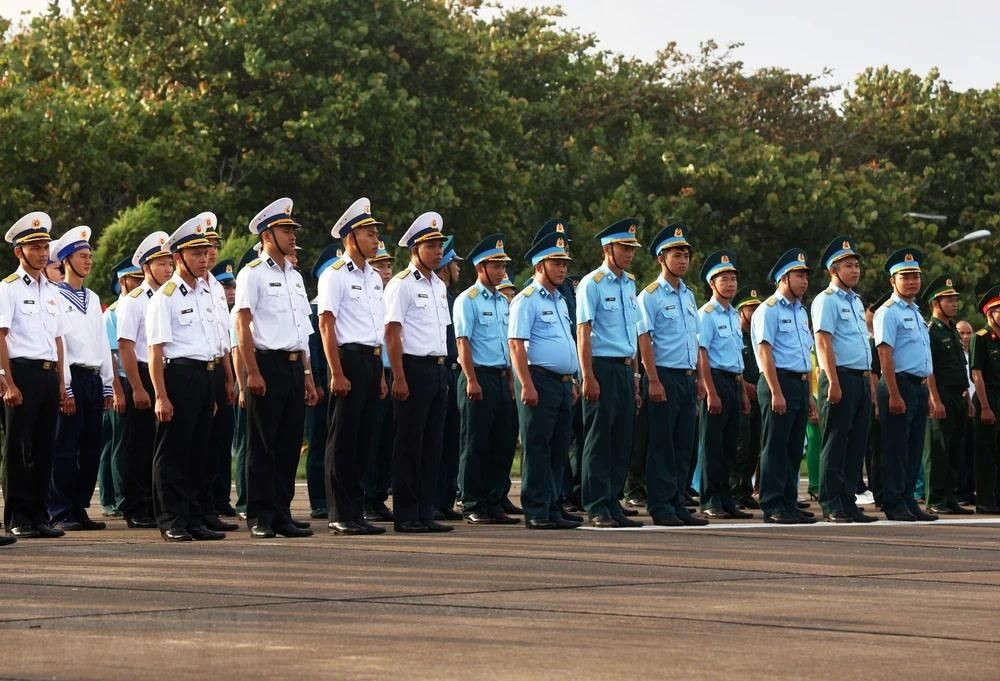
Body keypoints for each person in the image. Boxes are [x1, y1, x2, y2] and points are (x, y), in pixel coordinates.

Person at [234, 198, 318, 539]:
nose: (292, 236)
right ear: (267, 235)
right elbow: (242, 325)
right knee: (262, 445)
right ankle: (260, 515)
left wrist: (308, 375)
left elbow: (302, 330)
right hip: (267, 364)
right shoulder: (252, 274)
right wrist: (252, 371)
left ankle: (282, 513)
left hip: (295, 366)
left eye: (292, 230)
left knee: (288, 445)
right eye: (285, 230)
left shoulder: (294, 277)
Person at [146, 216, 227, 542]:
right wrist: (161, 395)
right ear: (178, 257)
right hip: (179, 376)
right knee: (173, 452)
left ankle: (193, 517)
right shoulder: (165, 296)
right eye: (196, 254)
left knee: (198, 451)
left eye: (205, 253)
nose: (204, 259)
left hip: (206, 376)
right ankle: (171, 519)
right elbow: (155, 351)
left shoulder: (205, 292)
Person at [317, 197, 387, 536]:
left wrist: (382, 373)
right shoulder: (334, 276)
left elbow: (377, 329)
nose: (375, 239)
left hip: (371, 360)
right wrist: (336, 372)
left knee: (363, 439)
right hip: (348, 359)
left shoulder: (373, 276)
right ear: (350, 238)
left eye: (375, 233)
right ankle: (339, 512)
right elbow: (326, 325)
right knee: (343, 438)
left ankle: (356, 511)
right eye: (369, 234)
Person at [384, 211, 454, 533]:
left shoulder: (438, 285)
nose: (439, 251)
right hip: (412, 368)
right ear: (415, 249)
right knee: (409, 445)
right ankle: (407, 514)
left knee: (432, 445)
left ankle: (426, 511)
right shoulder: (401, 284)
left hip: (437, 369)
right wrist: (399, 377)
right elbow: (392, 333)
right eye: (432, 246)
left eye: (440, 245)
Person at [1, 211, 68, 539]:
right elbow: (0, 335)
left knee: (44, 447)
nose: (43, 253)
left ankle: (39, 516)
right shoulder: (8, 288)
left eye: (45, 247)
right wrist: (7, 380)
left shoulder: (52, 290)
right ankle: (18, 516)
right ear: (19, 251)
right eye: (35, 247)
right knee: (19, 448)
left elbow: (58, 339)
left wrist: (61, 383)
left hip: (47, 374)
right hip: (21, 373)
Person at [636, 224, 708, 526]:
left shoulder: (688, 296)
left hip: (687, 377)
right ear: (661, 259)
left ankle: (678, 502)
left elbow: (695, 340)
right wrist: (652, 379)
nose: (683, 261)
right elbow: (645, 339)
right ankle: (661, 505)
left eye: (686, 255)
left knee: (683, 444)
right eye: (677, 255)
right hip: (663, 376)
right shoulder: (650, 296)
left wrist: (700, 378)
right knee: (662, 445)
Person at [47, 226, 118, 531]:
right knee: (65, 447)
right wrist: (64, 386)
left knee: (90, 446)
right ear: (65, 260)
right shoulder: (54, 296)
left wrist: (107, 382)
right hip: (72, 375)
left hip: (92, 377)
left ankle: (79, 506)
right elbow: (58, 342)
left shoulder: (93, 297)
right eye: (81, 256)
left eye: (89, 255)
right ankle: (60, 509)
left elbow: (102, 341)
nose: (88, 261)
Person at [508, 232, 581, 529]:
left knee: (559, 447)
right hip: (539, 379)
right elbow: (516, 344)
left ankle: (553, 506)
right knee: (538, 447)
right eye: (556, 263)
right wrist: (526, 384)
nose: (562, 269)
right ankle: (537, 510)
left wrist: (571, 379)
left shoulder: (561, 300)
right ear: (540, 265)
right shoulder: (526, 300)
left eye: (564, 264)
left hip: (562, 382)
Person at [577, 218, 644, 528]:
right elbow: (583, 332)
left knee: (621, 438)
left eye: (631, 248)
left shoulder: (629, 283)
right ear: (608, 249)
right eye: (624, 247)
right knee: (599, 438)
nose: (629, 253)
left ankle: (612, 500)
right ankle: (596, 505)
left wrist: (636, 377)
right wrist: (588, 375)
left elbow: (632, 333)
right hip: (601, 366)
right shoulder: (591, 283)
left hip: (625, 368)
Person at [811, 236, 877, 523]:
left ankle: (849, 501)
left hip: (860, 378)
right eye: (848, 265)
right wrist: (833, 381)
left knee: (856, 444)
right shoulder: (826, 300)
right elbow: (823, 342)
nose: (855, 270)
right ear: (833, 270)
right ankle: (832, 503)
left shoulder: (856, 301)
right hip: (840, 377)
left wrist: (869, 383)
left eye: (856, 265)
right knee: (836, 442)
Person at [454, 233, 518, 525]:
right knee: (475, 442)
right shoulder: (468, 300)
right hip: (478, 375)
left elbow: (507, 344)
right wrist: (471, 378)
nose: (501, 271)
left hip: (500, 376)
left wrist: (510, 379)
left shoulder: (503, 301)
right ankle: (472, 502)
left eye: (503, 266)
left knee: (501, 442)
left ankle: (494, 501)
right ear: (481, 268)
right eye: (496, 266)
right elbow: (463, 342)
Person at [872, 248, 940, 522]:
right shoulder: (888, 312)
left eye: (915, 276)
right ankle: (893, 502)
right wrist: (894, 393)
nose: (912, 282)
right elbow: (884, 354)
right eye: (905, 277)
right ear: (893, 281)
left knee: (913, 449)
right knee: (896, 448)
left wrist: (928, 393)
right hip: (898, 384)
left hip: (918, 386)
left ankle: (908, 500)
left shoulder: (916, 312)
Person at [751, 248, 818, 524]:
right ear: (783, 278)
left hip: (799, 383)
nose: (804, 281)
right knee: (775, 446)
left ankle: (789, 502)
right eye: (798, 275)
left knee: (793, 447)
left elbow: (805, 354)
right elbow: (765, 352)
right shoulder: (768, 309)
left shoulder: (801, 311)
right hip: (778, 381)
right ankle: (772, 503)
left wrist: (809, 395)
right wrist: (776, 391)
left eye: (805, 276)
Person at [116, 231, 172, 529]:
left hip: (164, 373)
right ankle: (136, 507)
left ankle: (155, 503)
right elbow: (125, 346)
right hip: (140, 374)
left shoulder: (169, 296)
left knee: (160, 445)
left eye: (169, 263)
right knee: (137, 445)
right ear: (146, 267)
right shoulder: (134, 300)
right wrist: (137, 387)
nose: (168, 269)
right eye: (161, 264)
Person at [694, 249, 752, 520]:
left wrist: (742, 392)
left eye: (733, 279)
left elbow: (736, 356)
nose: (730, 284)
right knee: (712, 445)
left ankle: (726, 498)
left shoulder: (732, 315)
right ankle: (710, 499)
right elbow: (702, 353)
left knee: (730, 445)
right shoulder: (706, 314)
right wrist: (710, 391)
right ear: (712, 283)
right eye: (724, 279)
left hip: (733, 382)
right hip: (715, 380)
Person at [195, 215, 239, 533]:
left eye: (214, 246)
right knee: (198, 444)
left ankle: (211, 505)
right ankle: (196, 508)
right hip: (195, 371)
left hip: (218, 369)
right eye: (205, 247)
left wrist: (229, 377)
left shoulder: (214, 286)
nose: (211, 252)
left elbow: (222, 337)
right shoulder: (192, 287)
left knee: (219, 442)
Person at [922, 275, 974, 515]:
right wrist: (934, 399)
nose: (954, 304)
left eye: (955, 299)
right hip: (941, 393)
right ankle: (935, 498)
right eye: (949, 300)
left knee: (955, 448)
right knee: (938, 449)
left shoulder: (952, 330)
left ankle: (949, 496)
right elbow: (929, 368)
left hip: (958, 395)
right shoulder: (931, 331)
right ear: (936, 303)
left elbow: (960, 367)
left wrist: (967, 398)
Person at [97, 257, 142, 517]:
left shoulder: (143, 304)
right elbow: (113, 355)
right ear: (123, 281)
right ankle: (113, 498)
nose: (140, 283)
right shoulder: (113, 313)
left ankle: (126, 495)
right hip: (121, 381)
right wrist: (116, 390)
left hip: (138, 378)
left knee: (130, 442)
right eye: (136, 279)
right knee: (117, 442)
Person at [363, 242, 397, 523]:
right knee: (370, 438)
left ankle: (378, 495)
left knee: (387, 439)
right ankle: (366, 498)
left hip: (390, 371)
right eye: (380, 266)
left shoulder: (390, 297)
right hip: (373, 371)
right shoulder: (369, 297)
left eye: (388, 266)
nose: (386, 271)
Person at [432, 236, 464, 520]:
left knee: (452, 439)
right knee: (434, 439)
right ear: (444, 266)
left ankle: (444, 500)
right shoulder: (433, 295)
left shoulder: (451, 299)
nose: (458, 268)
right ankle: (431, 501)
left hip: (453, 372)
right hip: (435, 369)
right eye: (454, 263)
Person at [209, 258, 238, 517]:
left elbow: (226, 347)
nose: (230, 292)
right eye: (226, 287)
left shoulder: (226, 310)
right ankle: (207, 500)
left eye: (232, 287)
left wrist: (230, 380)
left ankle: (221, 498)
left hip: (222, 369)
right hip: (206, 369)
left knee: (224, 437)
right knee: (207, 439)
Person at [731, 286, 762, 508]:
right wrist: (744, 386)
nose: (755, 312)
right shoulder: (736, 334)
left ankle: (745, 490)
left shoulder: (757, 335)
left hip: (759, 395)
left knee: (753, 446)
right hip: (741, 393)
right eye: (751, 308)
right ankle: (734, 489)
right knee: (740, 445)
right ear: (740, 311)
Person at [970, 285, 1000, 514]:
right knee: (986, 451)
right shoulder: (980, 338)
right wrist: (986, 406)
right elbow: (977, 374)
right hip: (988, 396)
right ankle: (985, 500)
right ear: (990, 313)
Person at [956, 318, 977, 506]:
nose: (965, 337)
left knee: (972, 451)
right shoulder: (955, 355)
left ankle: (970, 490)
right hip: (959, 405)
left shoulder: (974, 354)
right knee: (959, 451)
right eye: (961, 333)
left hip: (976, 406)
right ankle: (959, 491)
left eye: (969, 333)